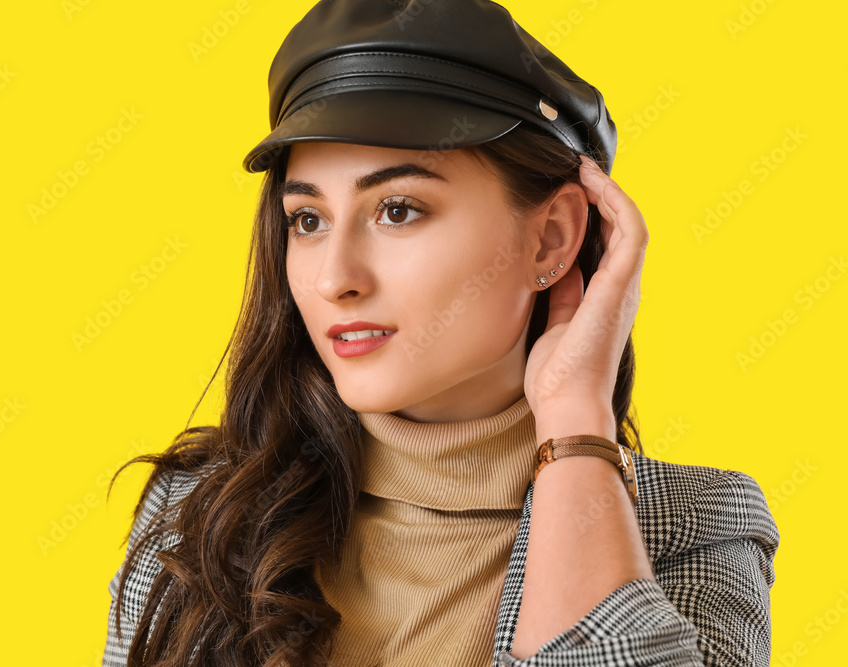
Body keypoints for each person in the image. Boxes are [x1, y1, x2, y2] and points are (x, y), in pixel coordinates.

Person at [102, 1, 779, 665]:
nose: (336, 277)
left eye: (397, 209)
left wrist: (573, 416)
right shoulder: (199, 509)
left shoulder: (694, 528)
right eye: (308, 220)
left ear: (552, 238)